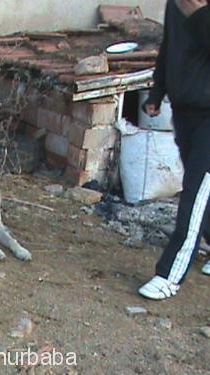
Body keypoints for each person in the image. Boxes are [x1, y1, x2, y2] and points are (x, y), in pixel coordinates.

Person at [138, 0, 210, 300]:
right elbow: (169, 48)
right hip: (185, 109)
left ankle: (170, 274)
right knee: (202, 188)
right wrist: (157, 91)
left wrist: (200, 14)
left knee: (196, 191)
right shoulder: (176, 3)